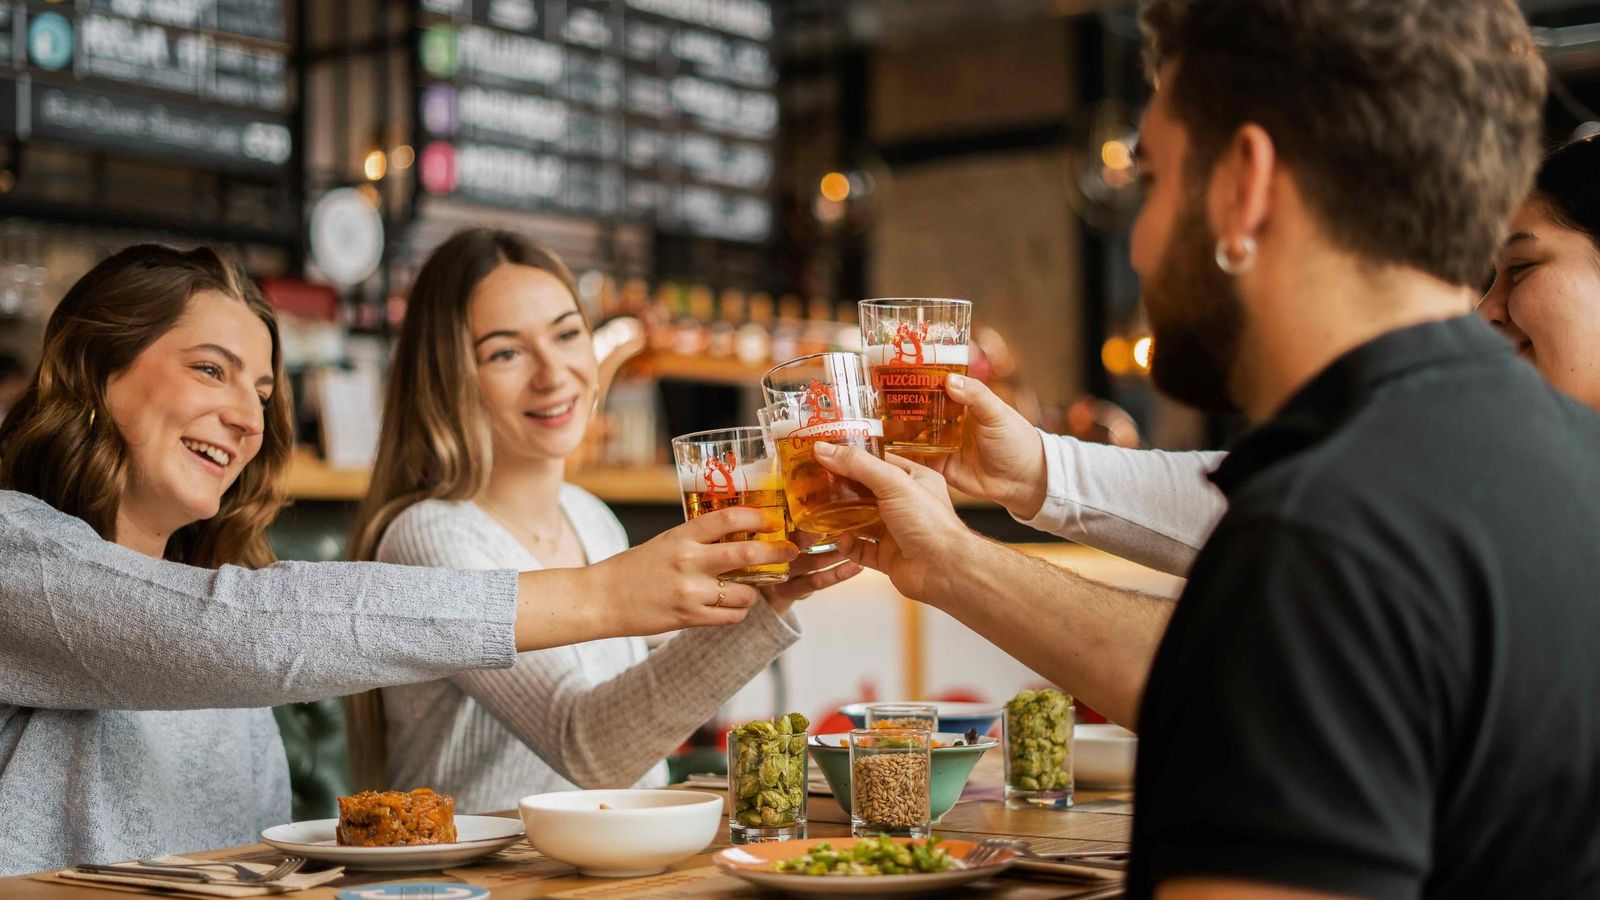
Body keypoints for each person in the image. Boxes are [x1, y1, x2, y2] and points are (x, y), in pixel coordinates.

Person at [815, 0, 1600, 896]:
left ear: (1244, 186)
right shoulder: (1572, 468)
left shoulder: (1318, 535)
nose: (1141, 248)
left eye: (1154, 181)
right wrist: (1012, 494)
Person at [0, 245, 794, 876]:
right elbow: (236, 630)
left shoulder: (219, 617)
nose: (247, 418)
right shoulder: (15, 555)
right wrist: (604, 595)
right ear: (95, 370)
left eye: (265, 393)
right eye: (211, 368)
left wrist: (773, 594)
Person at [347, 229, 858, 811]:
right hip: (494, 863)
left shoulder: (590, 517)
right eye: (506, 353)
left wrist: (767, 590)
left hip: (622, 853)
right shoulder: (430, 537)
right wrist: (760, 610)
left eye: (567, 334)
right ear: (446, 378)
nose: (553, 373)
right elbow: (589, 747)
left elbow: (624, 753)